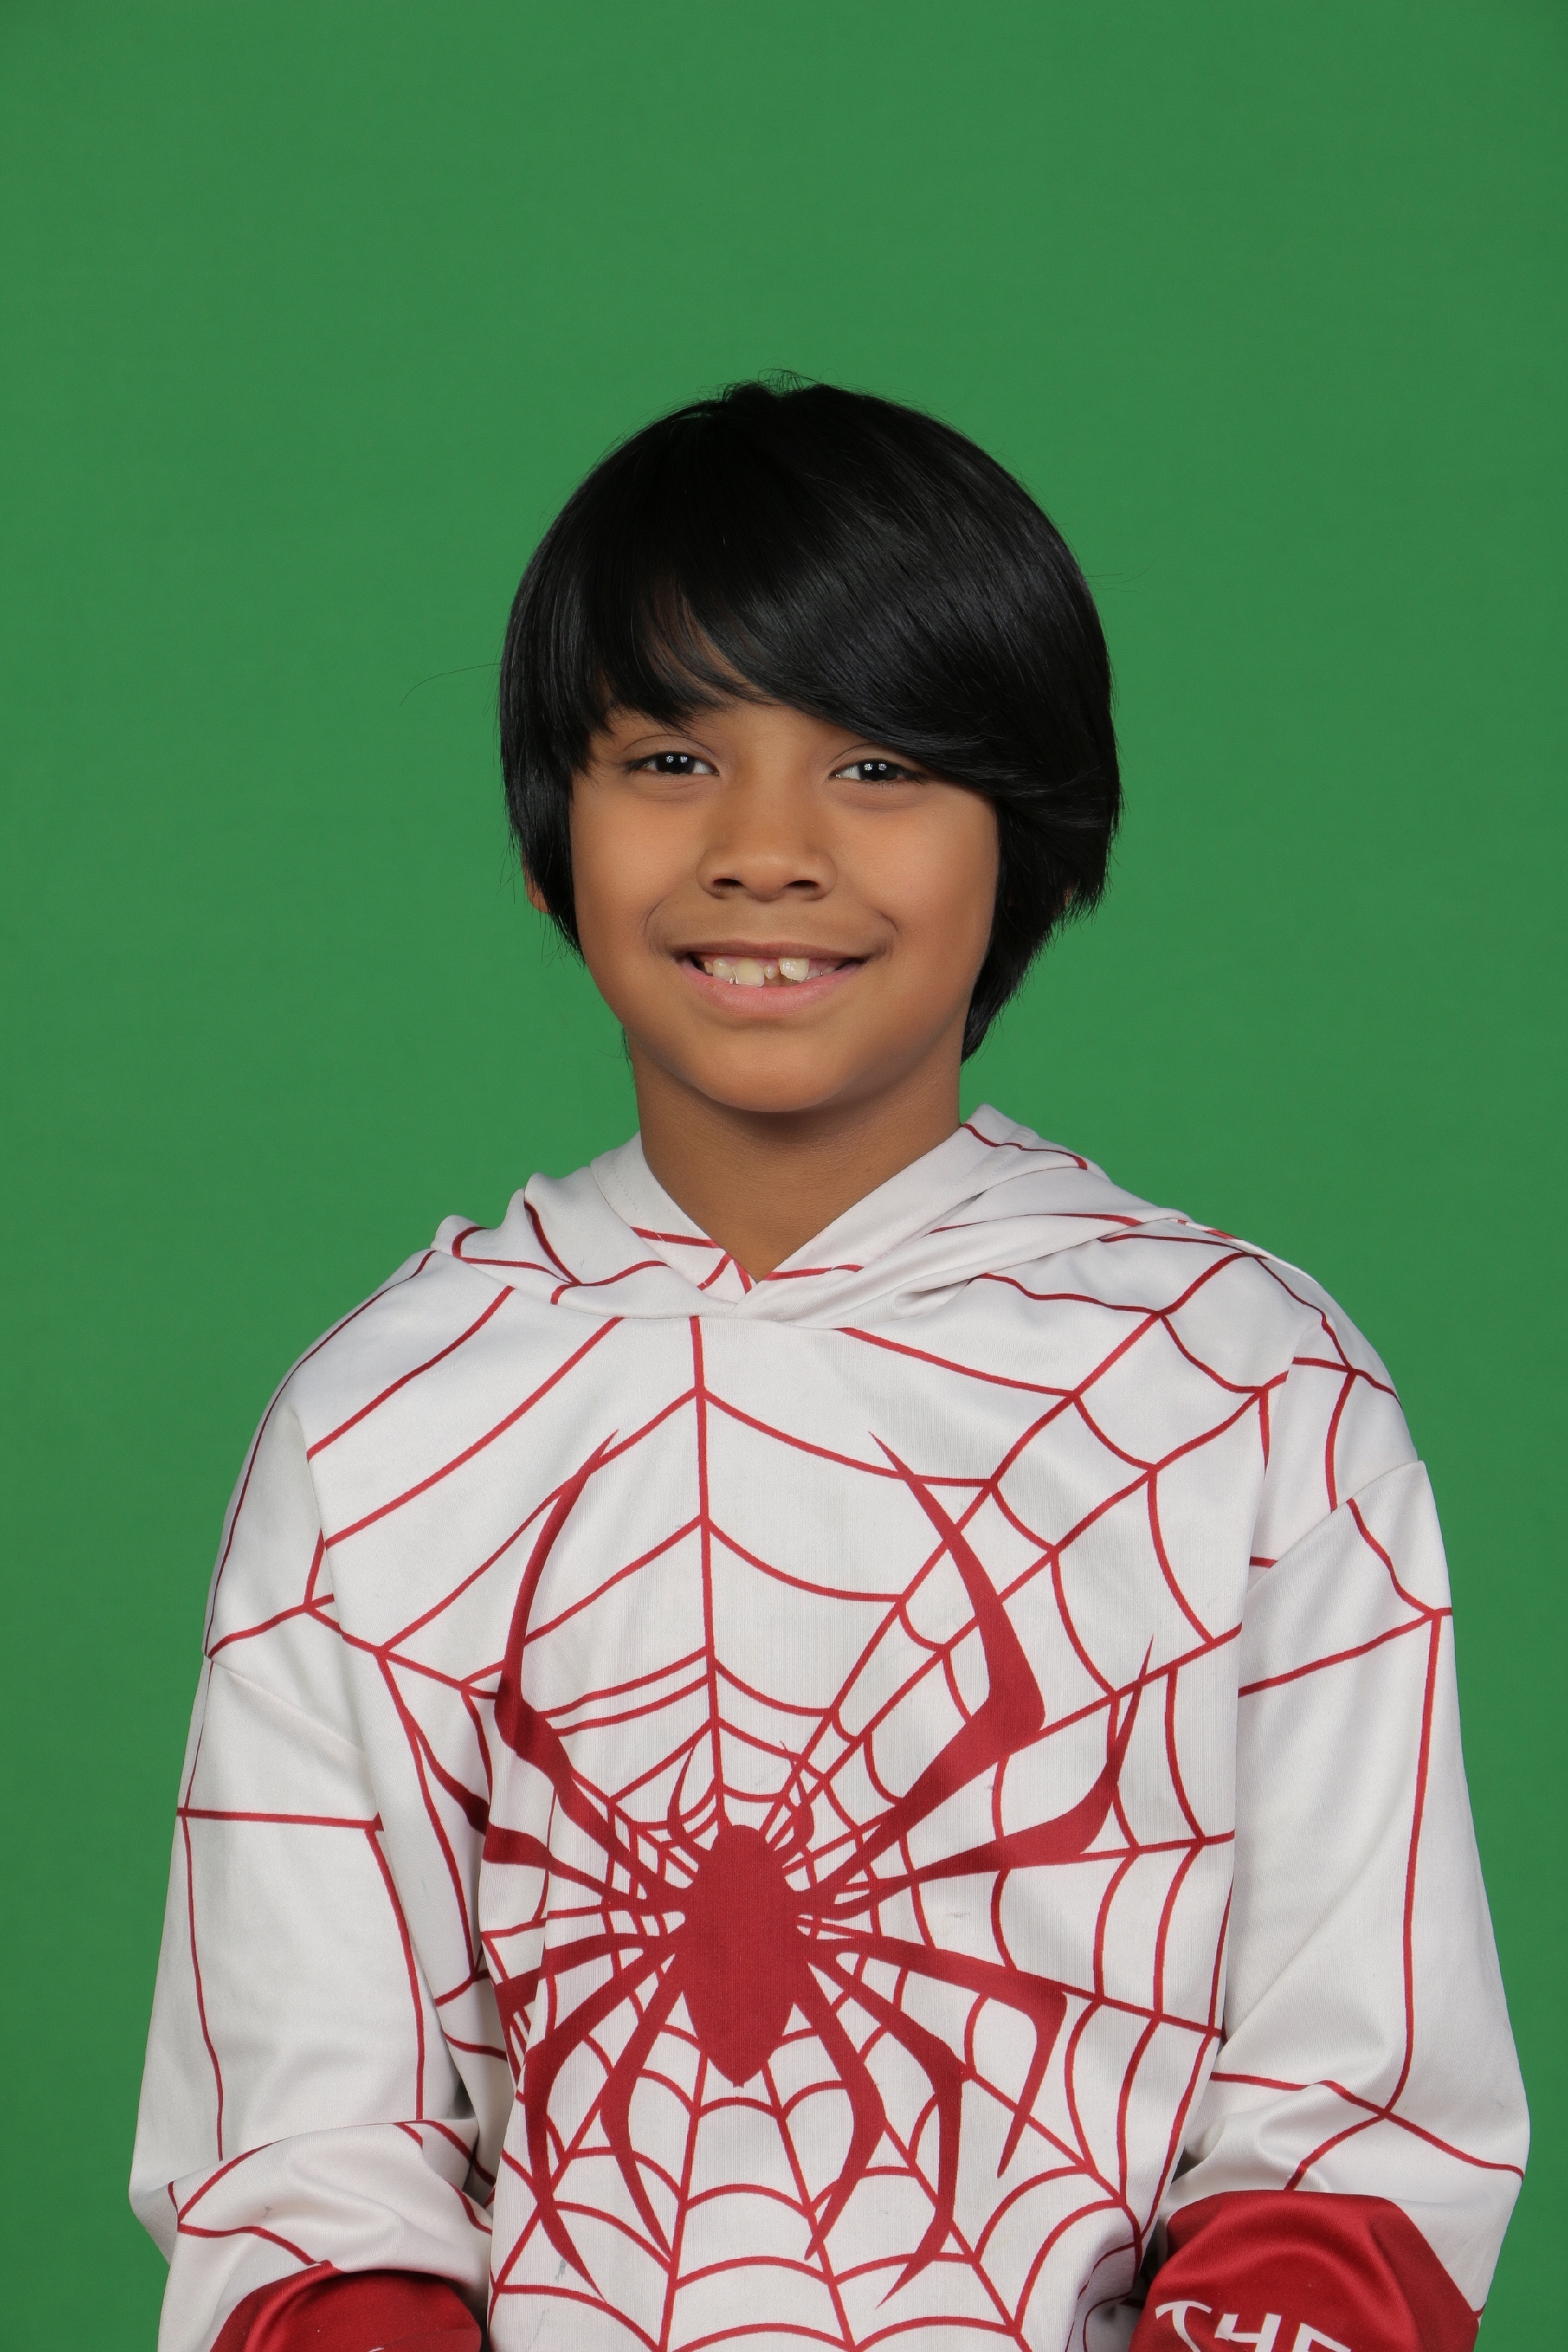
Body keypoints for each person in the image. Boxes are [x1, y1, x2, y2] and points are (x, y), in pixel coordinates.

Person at [132, 381, 1526, 2352]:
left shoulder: (1244, 1390)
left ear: (1030, 838)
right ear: (548, 839)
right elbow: (302, 2164)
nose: (768, 851)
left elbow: (1356, 2122)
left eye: (879, 762)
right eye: (671, 755)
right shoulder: (382, 1423)